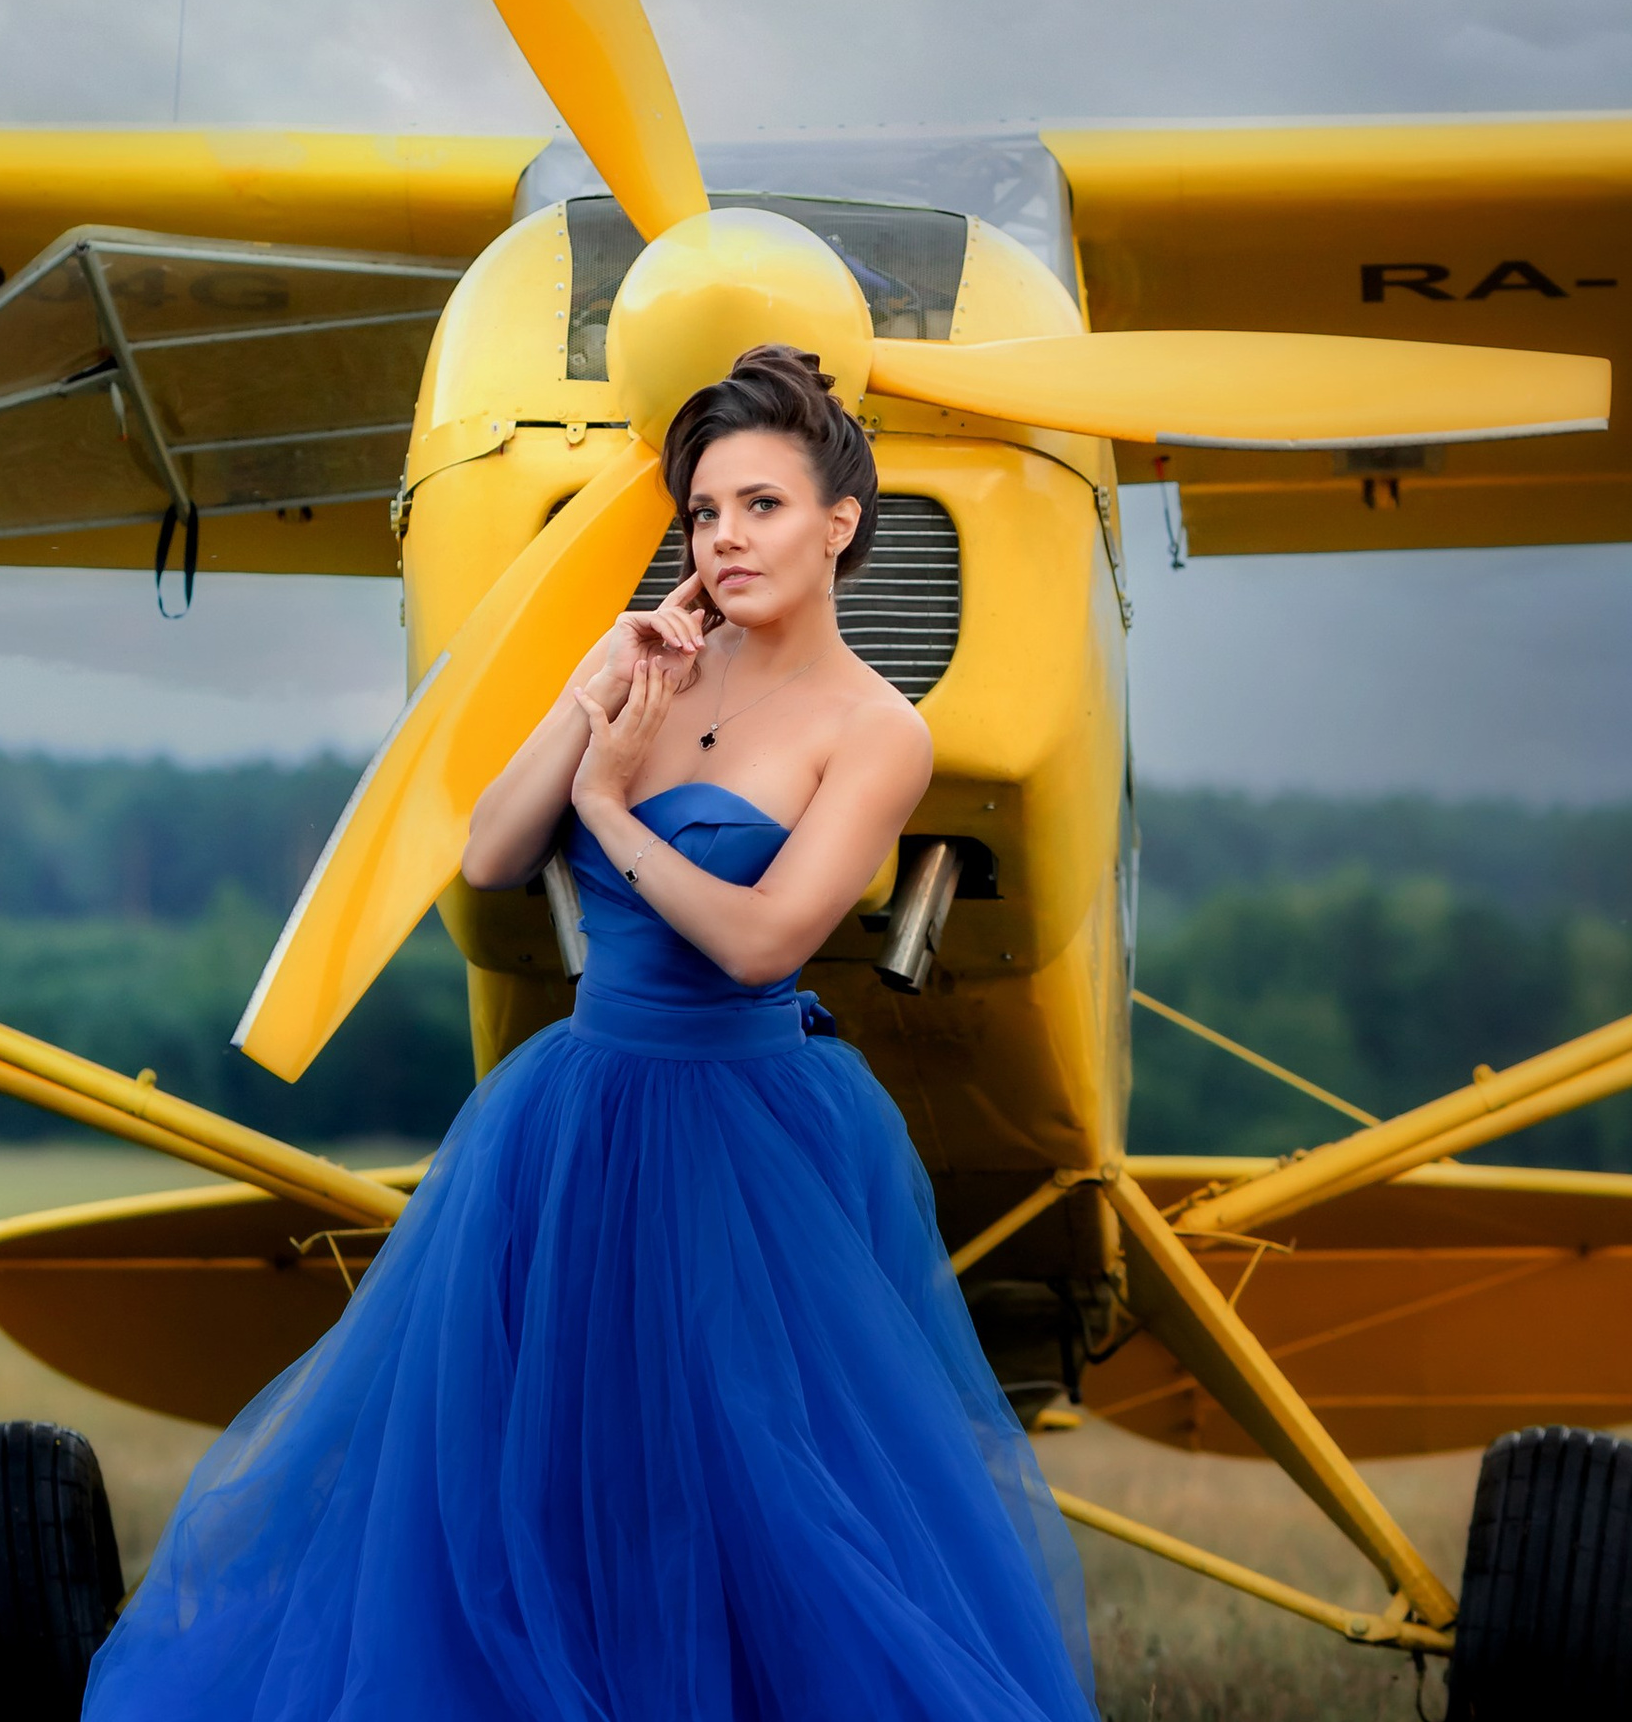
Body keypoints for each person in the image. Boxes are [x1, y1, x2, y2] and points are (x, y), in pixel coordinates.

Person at [85, 344, 1097, 1721]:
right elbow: (493, 853)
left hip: (743, 1132)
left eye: (761, 506)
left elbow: (764, 940)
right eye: (703, 514)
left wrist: (616, 813)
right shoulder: (651, 669)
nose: (725, 538)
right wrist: (593, 691)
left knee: (746, 1470)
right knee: (532, 1463)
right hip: (570, 1115)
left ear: (842, 523)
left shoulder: (878, 729)